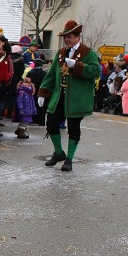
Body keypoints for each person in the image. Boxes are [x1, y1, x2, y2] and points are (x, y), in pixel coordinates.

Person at [38, 20, 100, 172]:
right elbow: (52, 74)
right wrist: (43, 92)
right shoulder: (61, 53)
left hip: (77, 98)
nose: (67, 40)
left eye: (70, 37)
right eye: (65, 37)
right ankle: (59, 152)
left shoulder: (88, 53)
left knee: (73, 128)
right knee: (51, 123)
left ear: (78, 37)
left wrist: (77, 66)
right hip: (60, 96)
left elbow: (96, 71)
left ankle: (69, 159)